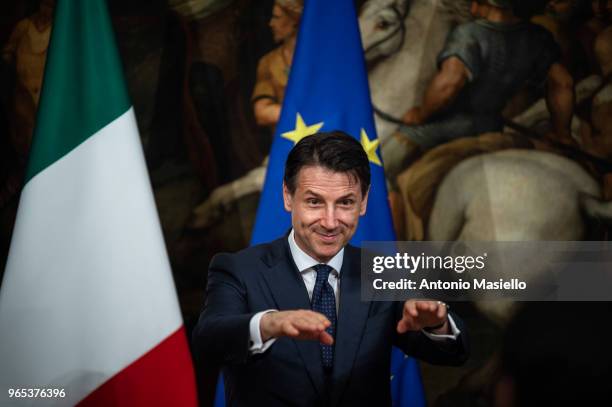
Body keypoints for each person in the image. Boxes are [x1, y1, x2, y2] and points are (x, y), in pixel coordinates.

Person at [192, 131, 469, 406]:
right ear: (288, 197)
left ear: (363, 202)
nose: (330, 221)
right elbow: (209, 341)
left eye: (345, 203)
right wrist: (268, 324)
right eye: (314, 202)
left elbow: (454, 353)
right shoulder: (238, 269)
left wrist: (437, 323)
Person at [381, 0, 575, 183]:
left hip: (450, 126)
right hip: (492, 127)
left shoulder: (470, 34)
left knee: (381, 164)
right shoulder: (538, 37)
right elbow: (563, 83)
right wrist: (563, 133)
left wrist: (420, 114)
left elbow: (448, 86)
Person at [251, 0, 303, 127]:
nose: (271, 24)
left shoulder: (322, 54)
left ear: (294, 21)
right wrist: (306, 115)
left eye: (277, 17)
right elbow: (261, 112)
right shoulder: (269, 62)